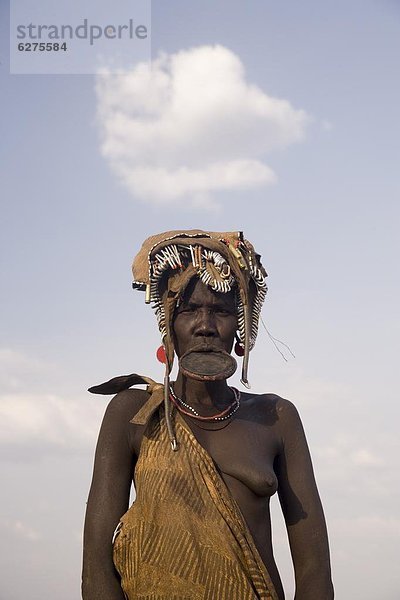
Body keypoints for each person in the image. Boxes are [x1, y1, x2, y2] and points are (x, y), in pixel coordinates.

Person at [82, 230, 334, 600]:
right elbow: (97, 570)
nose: (205, 326)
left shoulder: (276, 418)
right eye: (189, 311)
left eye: (221, 311)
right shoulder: (132, 414)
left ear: (241, 327)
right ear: (169, 325)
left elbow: (314, 574)